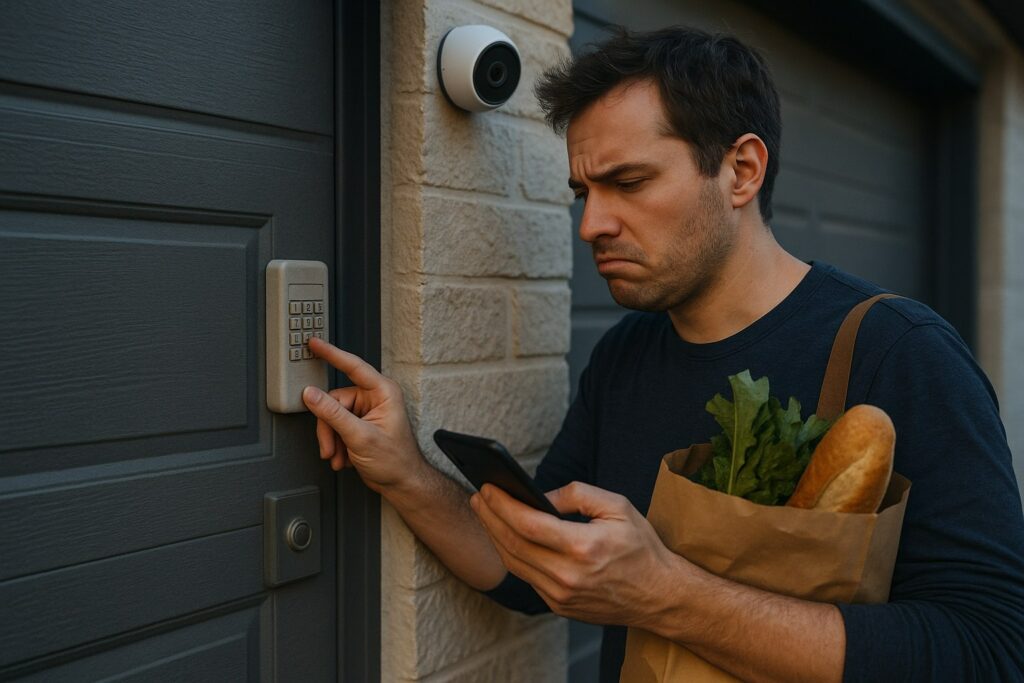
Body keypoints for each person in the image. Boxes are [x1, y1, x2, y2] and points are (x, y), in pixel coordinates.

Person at [301, 26, 1024, 683]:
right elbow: (526, 569)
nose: (592, 224)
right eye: (583, 190)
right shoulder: (625, 357)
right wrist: (404, 470)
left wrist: (667, 594)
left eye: (629, 182)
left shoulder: (899, 353)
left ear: (741, 170)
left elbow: (991, 649)